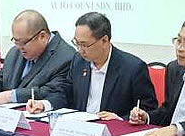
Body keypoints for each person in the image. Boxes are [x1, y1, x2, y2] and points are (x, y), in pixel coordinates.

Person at [26, 12, 157, 118]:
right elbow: (65, 93)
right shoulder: (78, 61)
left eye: (84, 45)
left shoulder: (133, 68)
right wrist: (44, 104)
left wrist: (121, 120)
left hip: (114, 134)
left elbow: (147, 110)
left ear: (104, 40)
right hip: (82, 130)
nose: (79, 49)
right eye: (76, 43)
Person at [0, 10, 75, 104]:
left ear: (42, 36)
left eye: (24, 42)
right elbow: (2, 77)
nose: (19, 47)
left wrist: (10, 96)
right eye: (16, 41)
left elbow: (52, 92)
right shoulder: (15, 52)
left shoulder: (66, 57)